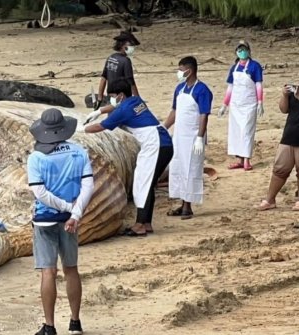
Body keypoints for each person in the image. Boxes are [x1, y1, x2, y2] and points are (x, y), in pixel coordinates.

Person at [27, 108, 93, 335]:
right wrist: (74, 213)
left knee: (48, 271)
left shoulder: (36, 157)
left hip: (45, 219)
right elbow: (88, 186)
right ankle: (75, 322)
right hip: (70, 221)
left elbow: (39, 192)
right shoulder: (78, 152)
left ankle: (49, 326)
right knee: (71, 269)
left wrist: (65, 208)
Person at [79, 80, 173, 236]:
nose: (112, 100)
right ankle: (146, 223)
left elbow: (101, 127)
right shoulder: (136, 100)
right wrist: (99, 111)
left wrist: (82, 130)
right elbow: (116, 107)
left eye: (113, 96)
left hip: (155, 145)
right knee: (147, 183)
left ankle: (140, 225)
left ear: (121, 95)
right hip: (163, 141)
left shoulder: (124, 110)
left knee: (142, 183)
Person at [163, 56, 213, 219]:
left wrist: (200, 136)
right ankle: (182, 202)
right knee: (178, 167)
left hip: (193, 136)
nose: (179, 72)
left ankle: (188, 206)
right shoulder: (179, 89)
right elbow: (175, 111)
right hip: (179, 136)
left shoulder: (202, 90)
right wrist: (164, 127)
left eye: (181, 69)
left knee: (191, 168)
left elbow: (203, 115)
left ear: (189, 71)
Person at [217, 40, 264, 171]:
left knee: (247, 130)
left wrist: (260, 102)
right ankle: (239, 159)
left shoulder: (255, 66)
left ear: (248, 51)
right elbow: (230, 87)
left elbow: (258, 85)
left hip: (250, 104)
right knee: (236, 131)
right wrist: (224, 105)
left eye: (244, 49)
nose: (242, 52)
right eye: (239, 50)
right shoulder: (234, 67)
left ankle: (247, 159)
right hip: (236, 104)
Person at [257, 83, 299, 211]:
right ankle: (270, 199)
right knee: (280, 169)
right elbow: (283, 109)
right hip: (289, 135)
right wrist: (285, 96)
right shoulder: (294, 91)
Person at [93, 30, 141, 111]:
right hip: (122, 99)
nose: (132, 48)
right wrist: (138, 99)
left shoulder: (111, 57)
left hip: (111, 99)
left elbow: (103, 78)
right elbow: (131, 82)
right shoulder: (126, 61)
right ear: (123, 45)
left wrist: (100, 98)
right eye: (131, 45)